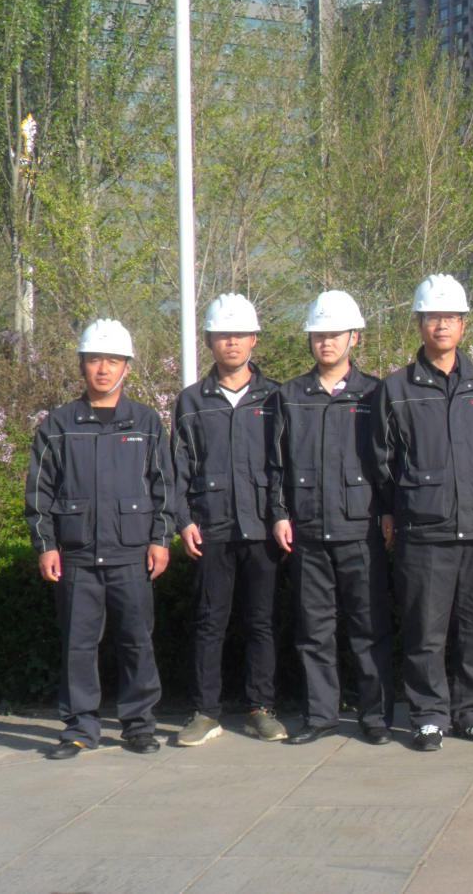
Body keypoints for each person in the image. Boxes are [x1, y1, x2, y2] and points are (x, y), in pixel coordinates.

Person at [26, 319, 172, 760]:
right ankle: (80, 728)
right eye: (94, 360)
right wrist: (46, 545)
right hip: (77, 556)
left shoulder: (146, 422)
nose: (103, 369)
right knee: (77, 645)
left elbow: (165, 487)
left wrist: (160, 539)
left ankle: (138, 726)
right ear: (82, 365)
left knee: (136, 641)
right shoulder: (58, 425)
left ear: (127, 366)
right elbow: (39, 492)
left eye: (112, 360)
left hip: (131, 554)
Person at [373, 274, 473, 752]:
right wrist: (391, 510)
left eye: (450, 317)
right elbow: (382, 459)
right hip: (423, 529)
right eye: (433, 317)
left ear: (464, 325)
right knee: (425, 631)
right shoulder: (397, 388)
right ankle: (429, 715)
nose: (442, 326)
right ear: (420, 324)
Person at [269, 290, 395, 745]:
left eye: (335, 334)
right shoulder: (289, 396)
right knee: (314, 631)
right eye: (318, 334)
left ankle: (375, 717)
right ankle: (320, 716)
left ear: (353, 338)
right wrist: (280, 514)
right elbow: (275, 464)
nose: (325, 342)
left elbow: (386, 461)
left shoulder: (375, 393)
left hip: (360, 529)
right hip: (307, 530)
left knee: (369, 629)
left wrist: (388, 511)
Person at [172, 294, 286, 746]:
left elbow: (285, 465)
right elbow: (179, 469)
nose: (231, 342)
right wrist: (183, 520)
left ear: (254, 339)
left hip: (262, 527)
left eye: (239, 334)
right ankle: (205, 712)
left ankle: (261, 708)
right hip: (212, 527)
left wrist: (281, 515)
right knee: (209, 622)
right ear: (209, 341)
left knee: (262, 621)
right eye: (222, 335)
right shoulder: (191, 401)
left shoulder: (275, 397)